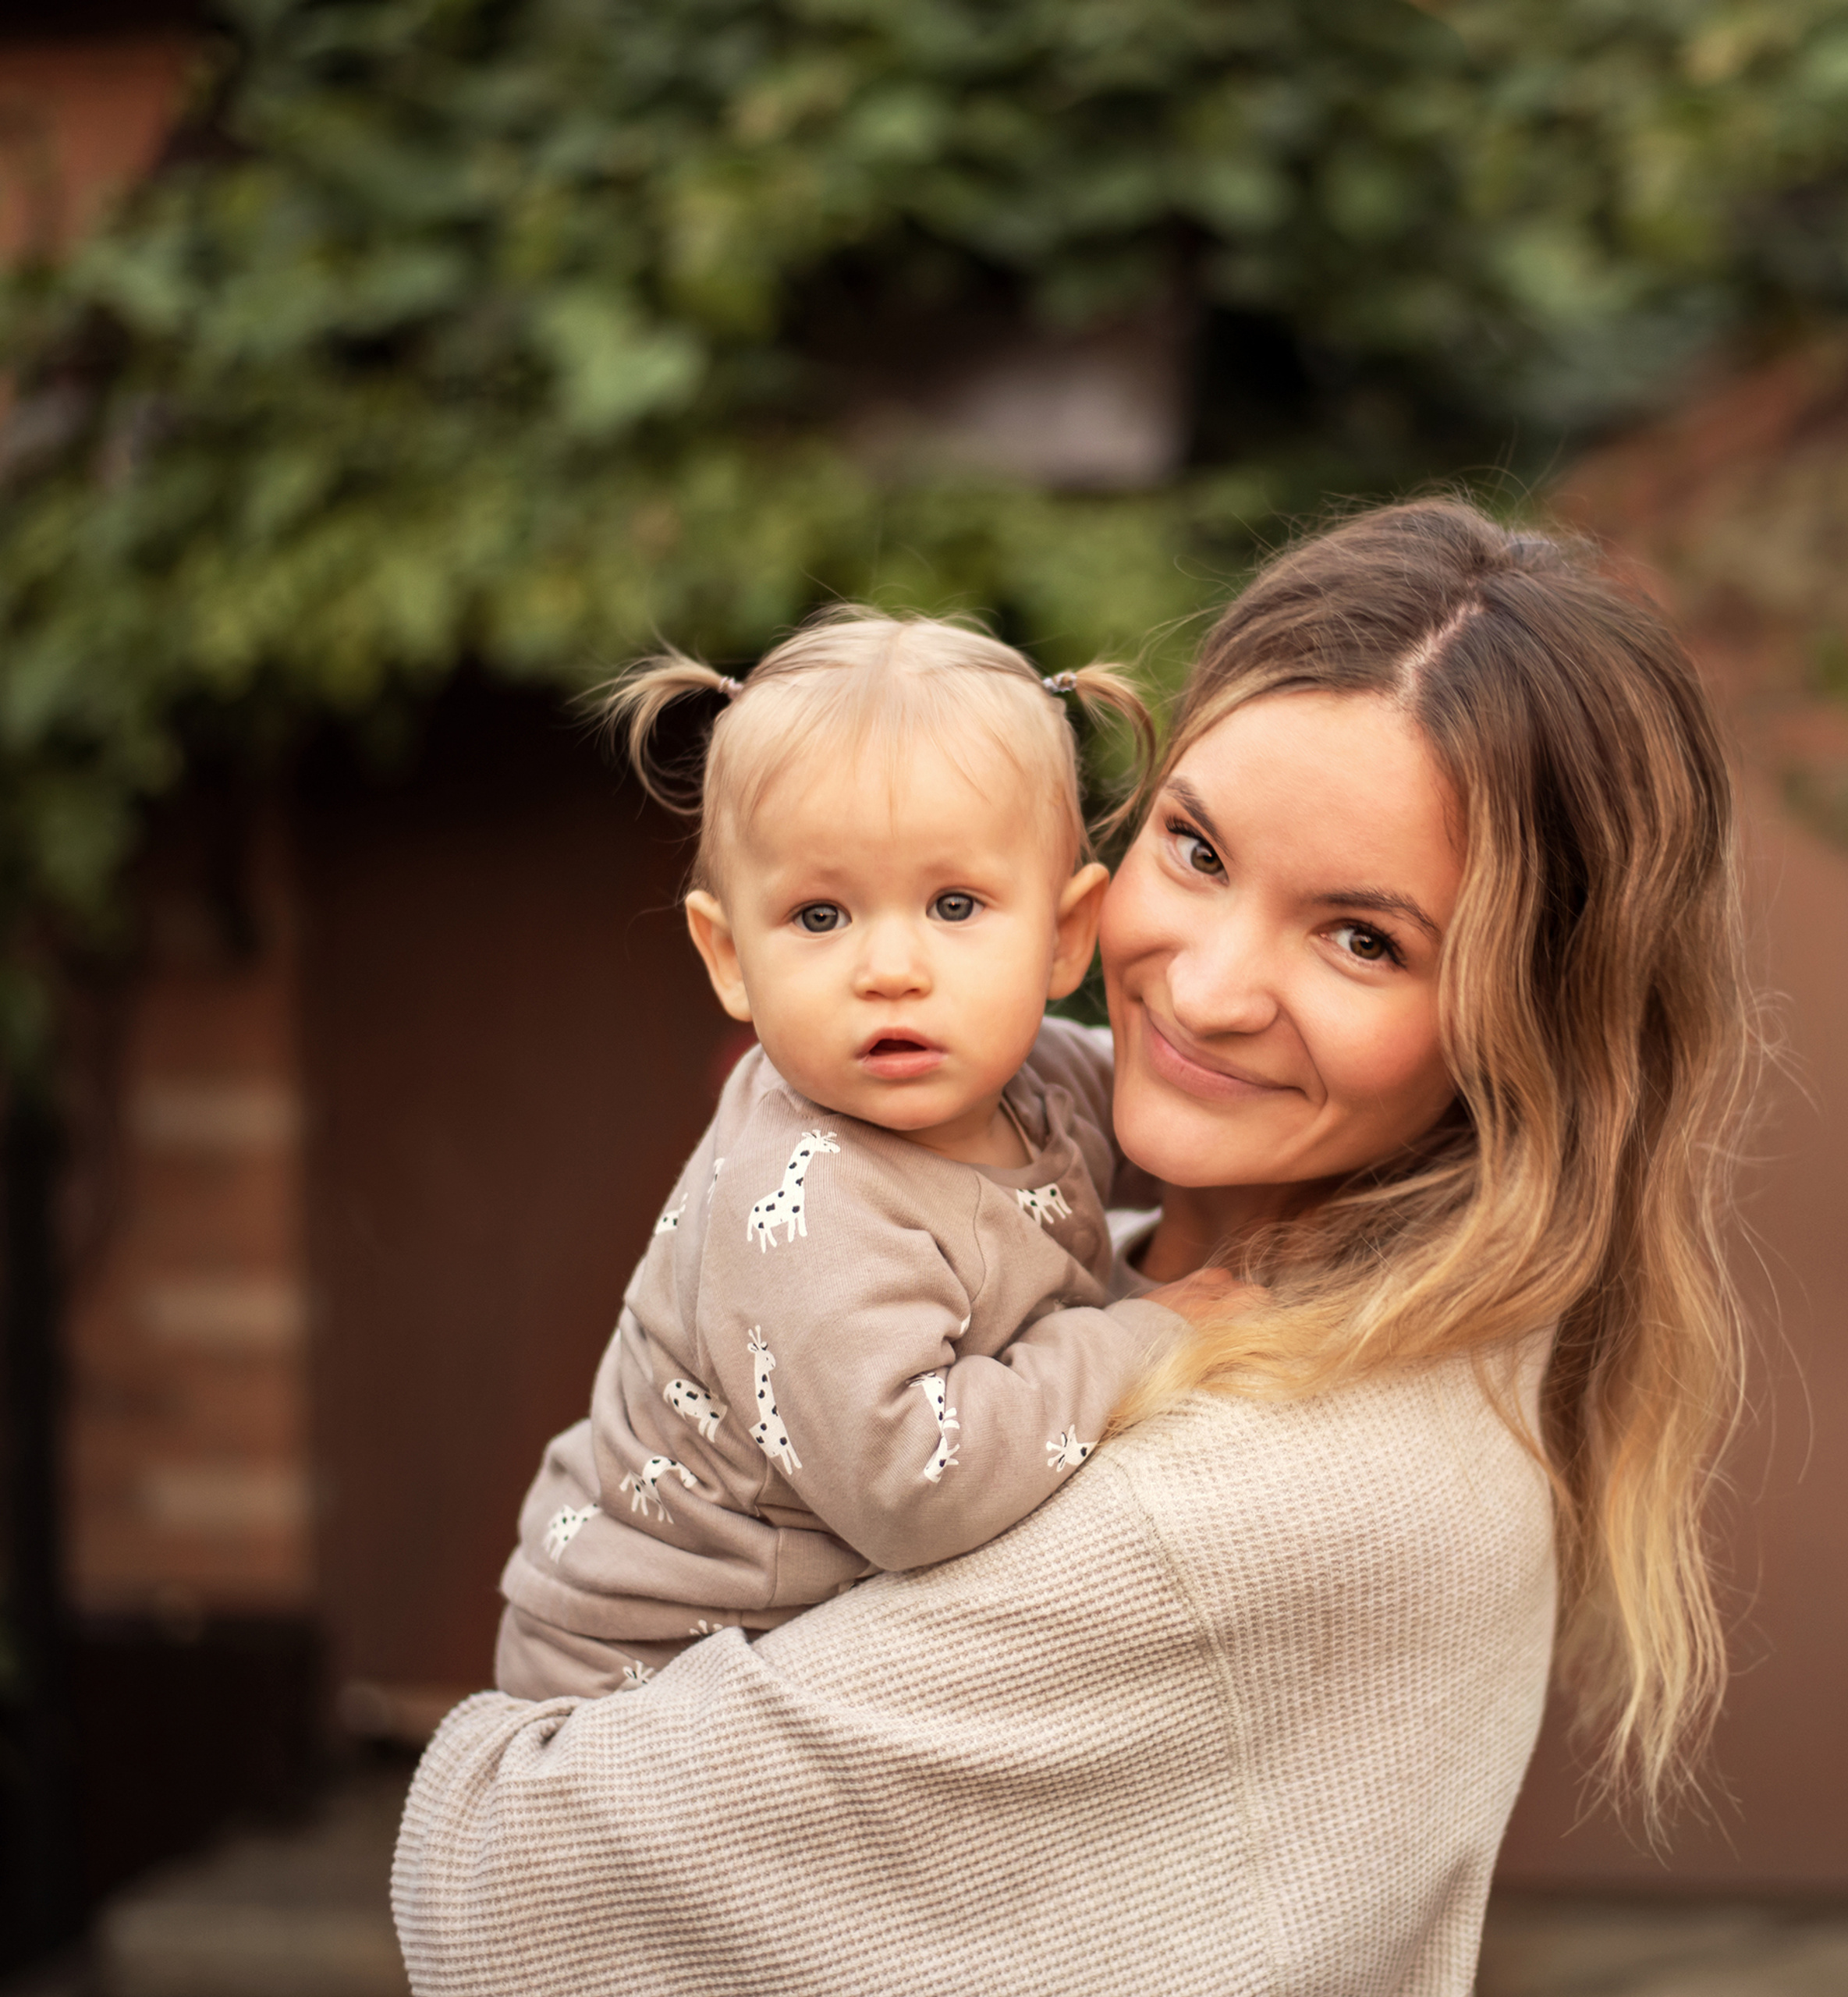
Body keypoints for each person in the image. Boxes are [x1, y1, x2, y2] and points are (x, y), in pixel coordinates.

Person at [393, 499, 1756, 1996]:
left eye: (1363, 938)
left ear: (1529, 1028)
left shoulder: (1254, 1498)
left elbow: (506, 1902)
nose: (1206, 987)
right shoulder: (1077, 1225)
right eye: (1197, 846)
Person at [494, 610, 1223, 1701]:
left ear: (1067, 936)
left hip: (790, 1634)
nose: (890, 967)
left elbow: (1182, 1146)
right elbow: (916, 1488)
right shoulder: (802, 1210)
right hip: (640, 1677)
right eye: (821, 915)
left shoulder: (1042, 1086)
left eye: (955, 905)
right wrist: (1150, 1333)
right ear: (731, 957)